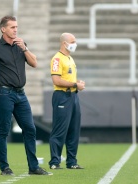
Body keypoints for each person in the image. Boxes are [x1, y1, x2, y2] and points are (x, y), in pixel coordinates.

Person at [0, 15, 52, 176]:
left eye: (16, 27)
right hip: (4, 93)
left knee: (30, 129)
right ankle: (4, 167)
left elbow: (34, 63)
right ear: (3, 29)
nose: (16, 30)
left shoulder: (21, 45)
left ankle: (33, 167)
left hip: (21, 94)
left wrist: (25, 48)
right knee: (3, 131)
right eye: (12, 27)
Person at [48, 33, 85, 170]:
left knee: (74, 130)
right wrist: (75, 84)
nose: (75, 44)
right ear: (64, 43)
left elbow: (69, 79)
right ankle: (54, 161)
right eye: (72, 41)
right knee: (60, 130)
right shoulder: (57, 59)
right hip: (62, 96)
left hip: (73, 96)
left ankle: (72, 161)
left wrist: (76, 84)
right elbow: (56, 80)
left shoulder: (70, 58)